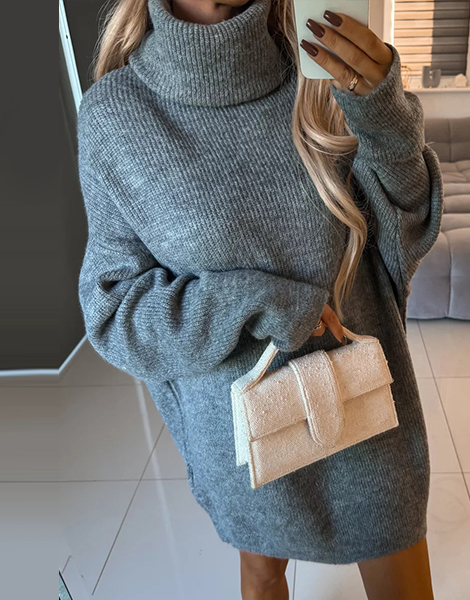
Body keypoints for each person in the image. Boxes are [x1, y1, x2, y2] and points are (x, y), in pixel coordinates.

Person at [76, 0, 444, 597]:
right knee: (262, 579)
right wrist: (258, 301)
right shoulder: (115, 117)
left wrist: (386, 118)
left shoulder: (320, 76)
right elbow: (115, 312)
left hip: (368, 406)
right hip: (242, 432)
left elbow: (403, 229)